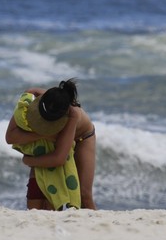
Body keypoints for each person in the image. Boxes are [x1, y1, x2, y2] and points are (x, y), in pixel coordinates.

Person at [5, 79, 97, 210]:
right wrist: (42, 133)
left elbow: (58, 158)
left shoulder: (73, 115)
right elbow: (10, 137)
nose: (44, 124)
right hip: (52, 138)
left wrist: (28, 160)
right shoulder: (35, 102)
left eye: (49, 123)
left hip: (83, 138)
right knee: (43, 187)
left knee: (84, 196)